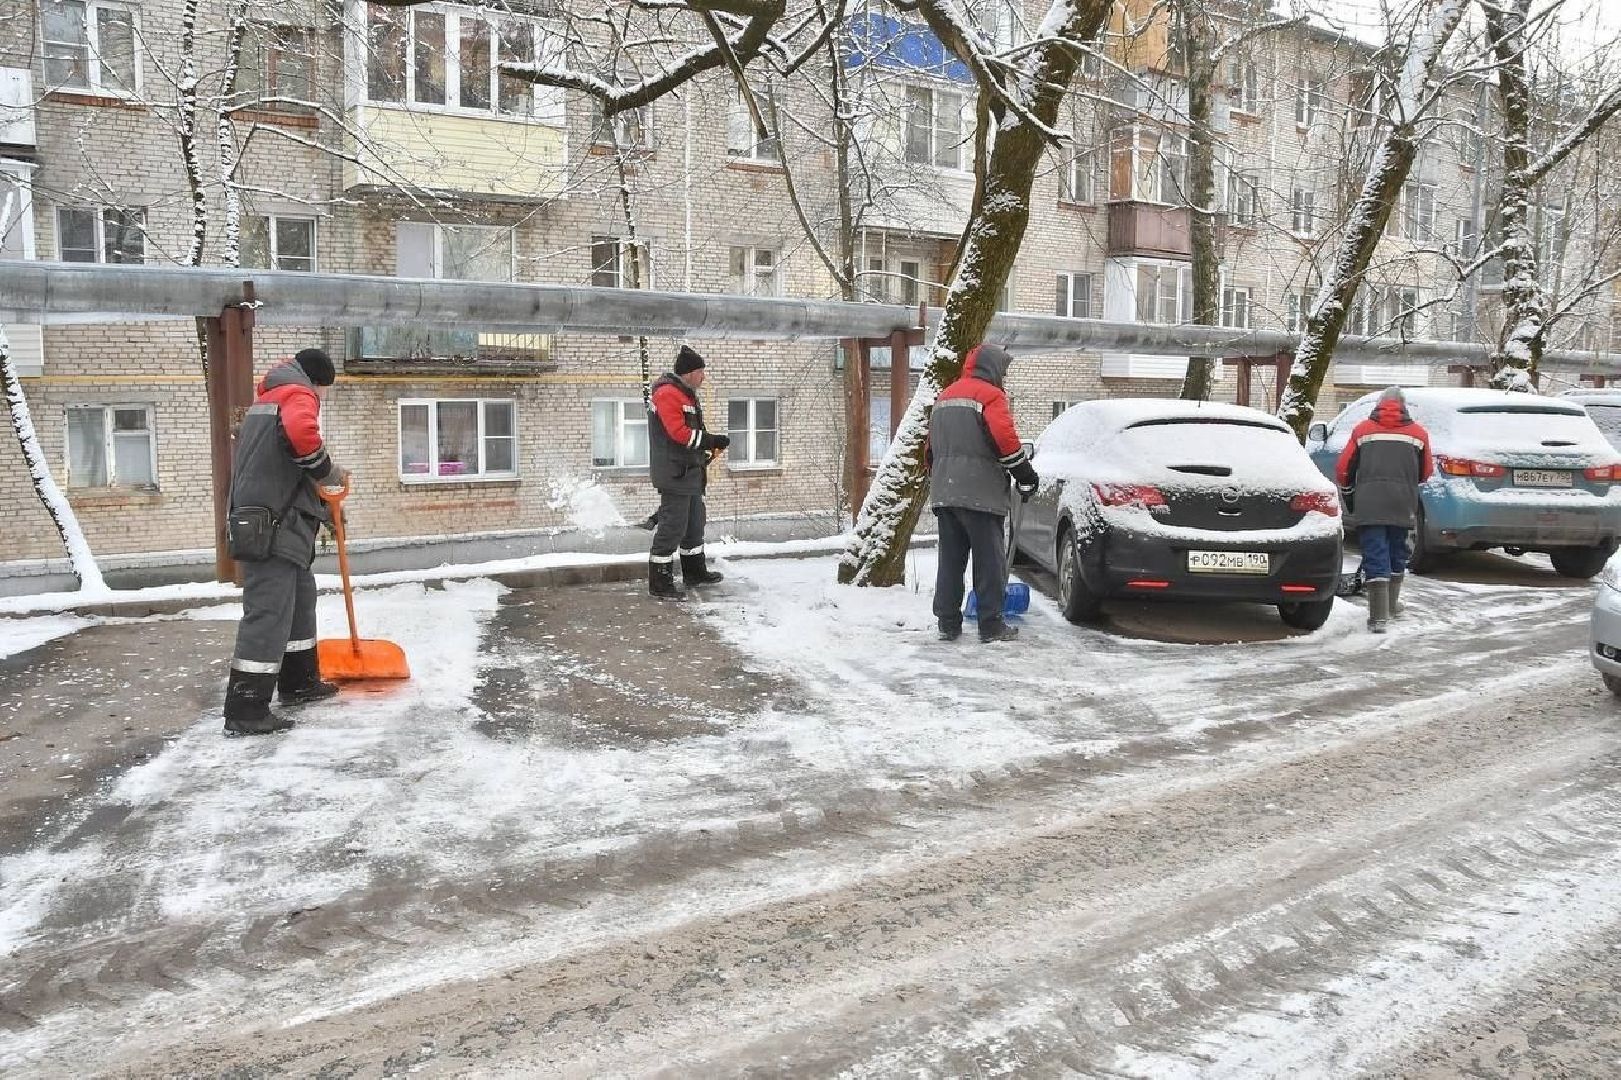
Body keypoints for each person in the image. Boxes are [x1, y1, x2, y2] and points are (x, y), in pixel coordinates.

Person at [223, 348, 349, 735]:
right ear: (318, 381)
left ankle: (299, 682)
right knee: (268, 612)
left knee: (299, 601)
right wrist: (327, 473)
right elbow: (302, 436)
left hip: (281, 522)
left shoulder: (272, 398)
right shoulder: (297, 394)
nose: (323, 398)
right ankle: (246, 710)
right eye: (325, 390)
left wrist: (322, 499)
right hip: (271, 526)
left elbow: (284, 461)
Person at [928, 342, 1038, 643]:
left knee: (950, 561)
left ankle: (947, 622)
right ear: (992, 368)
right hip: (981, 494)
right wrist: (1026, 475)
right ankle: (991, 625)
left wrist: (944, 478)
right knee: (989, 562)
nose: (1005, 376)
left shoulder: (945, 396)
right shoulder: (990, 396)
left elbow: (929, 450)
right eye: (1004, 370)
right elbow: (1005, 442)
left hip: (945, 492)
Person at [1335, 385, 1433, 634]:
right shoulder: (1419, 434)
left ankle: (1378, 617)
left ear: (1378, 405)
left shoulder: (1362, 430)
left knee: (1375, 552)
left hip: (1370, 504)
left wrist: (1349, 491)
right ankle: (1390, 606)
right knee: (1398, 552)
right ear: (1404, 406)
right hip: (1403, 502)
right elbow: (1426, 472)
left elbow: (1343, 469)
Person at [647, 345, 730, 599]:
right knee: (673, 527)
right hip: (675, 473)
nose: (704, 376)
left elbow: (692, 434)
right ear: (689, 372)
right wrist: (710, 440)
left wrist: (708, 448)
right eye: (701, 371)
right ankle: (660, 583)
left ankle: (694, 572)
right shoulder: (668, 394)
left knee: (694, 524)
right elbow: (679, 433)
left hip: (690, 472)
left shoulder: (686, 394)